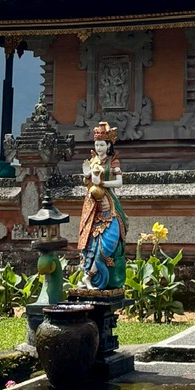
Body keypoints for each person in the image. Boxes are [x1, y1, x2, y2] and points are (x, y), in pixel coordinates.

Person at [78, 121, 127, 290]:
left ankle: (93, 276)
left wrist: (102, 182)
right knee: (91, 243)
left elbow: (119, 183)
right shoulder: (92, 161)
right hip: (94, 208)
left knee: (109, 242)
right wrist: (86, 177)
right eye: (96, 144)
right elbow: (88, 183)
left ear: (108, 145)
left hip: (110, 208)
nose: (98, 148)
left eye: (102, 144)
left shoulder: (113, 162)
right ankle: (87, 276)